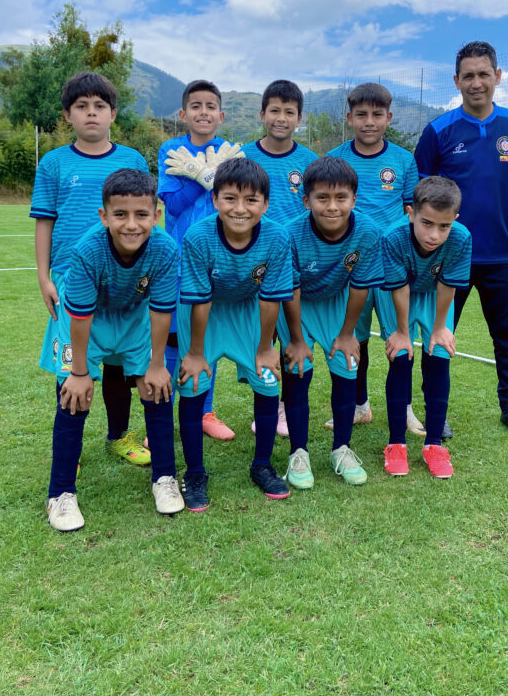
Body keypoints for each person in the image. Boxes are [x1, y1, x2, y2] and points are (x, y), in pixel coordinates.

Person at [414, 41, 508, 439]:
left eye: (483, 74)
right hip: (449, 256)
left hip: (503, 254)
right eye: (468, 76)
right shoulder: (438, 131)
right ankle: (436, 411)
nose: (476, 83)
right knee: (438, 335)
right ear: (456, 81)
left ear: (497, 76)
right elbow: (419, 192)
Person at [45, 169, 181, 531]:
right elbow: (80, 315)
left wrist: (156, 365)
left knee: (155, 386)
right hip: (85, 320)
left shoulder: (166, 248)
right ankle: (60, 493)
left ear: (156, 215)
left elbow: (161, 310)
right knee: (75, 394)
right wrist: (79, 373)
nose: (131, 224)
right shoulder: (88, 249)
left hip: (132, 314)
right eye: (120, 214)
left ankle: (164, 477)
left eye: (141, 214)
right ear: (104, 216)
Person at [31, 71, 152, 467]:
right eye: (81, 106)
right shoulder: (54, 163)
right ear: (68, 115)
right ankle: (70, 449)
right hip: (72, 277)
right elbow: (44, 221)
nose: (91, 113)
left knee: (118, 362)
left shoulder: (132, 159)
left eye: (99, 106)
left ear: (113, 114)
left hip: (123, 276)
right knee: (71, 364)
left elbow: (145, 216)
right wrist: (44, 277)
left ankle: (118, 437)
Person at [177, 157, 294, 511]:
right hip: (205, 313)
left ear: (266, 204)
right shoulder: (198, 236)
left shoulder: (277, 237)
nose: (240, 209)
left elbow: (271, 298)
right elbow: (199, 299)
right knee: (193, 384)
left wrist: (266, 347)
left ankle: (262, 465)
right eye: (230, 198)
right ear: (215, 200)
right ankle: (194, 473)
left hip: (249, 310)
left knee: (267, 381)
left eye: (251, 200)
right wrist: (195, 353)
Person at [278, 156, 384, 489]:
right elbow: (290, 289)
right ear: (306, 200)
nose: (332, 206)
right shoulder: (289, 234)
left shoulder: (368, 232)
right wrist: (297, 340)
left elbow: (361, 286)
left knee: (347, 368)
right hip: (297, 306)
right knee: (298, 371)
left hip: (338, 305)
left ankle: (342, 448)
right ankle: (298, 452)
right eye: (322, 198)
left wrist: (348, 333)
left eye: (341, 197)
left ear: (354, 199)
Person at [327, 82, 421, 434]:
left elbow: (412, 212)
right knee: (355, 338)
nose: (369, 122)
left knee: (401, 338)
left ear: (389, 118)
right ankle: (359, 405)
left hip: (393, 266)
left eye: (377, 115)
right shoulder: (335, 159)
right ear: (349, 117)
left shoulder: (403, 160)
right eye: (362, 115)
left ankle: (405, 408)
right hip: (351, 266)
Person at [156, 79, 243, 442]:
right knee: (173, 338)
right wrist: (203, 176)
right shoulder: (170, 149)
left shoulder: (231, 151)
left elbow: (238, 201)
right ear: (183, 114)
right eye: (196, 106)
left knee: (207, 336)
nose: (203, 112)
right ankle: (163, 415)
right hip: (179, 261)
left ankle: (205, 412)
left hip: (218, 260)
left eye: (210, 106)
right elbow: (173, 205)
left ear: (221, 115)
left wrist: (217, 175)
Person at [376, 177, 471, 478]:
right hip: (397, 294)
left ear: (455, 219)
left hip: (433, 295)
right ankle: (396, 444)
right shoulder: (392, 237)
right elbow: (399, 287)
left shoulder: (461, 238)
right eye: (427, 223)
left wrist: (440, 327)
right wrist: (402, 333)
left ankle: (434, 445)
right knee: (400, 357)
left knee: (439, 358)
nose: (434, 235)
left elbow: (447, 285)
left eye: (444, 226)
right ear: (411, 213)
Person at [242, 79, 318, 437]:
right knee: (262, 337)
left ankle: (287, 406)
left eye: (289, 112)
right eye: (275, 110)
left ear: (299, 118)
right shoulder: (242, 156)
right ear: (262, 114)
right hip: (251, 262)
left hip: (294, 266)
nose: (281, 118)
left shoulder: (309, 161)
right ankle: (266, 403)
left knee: (293, 335)